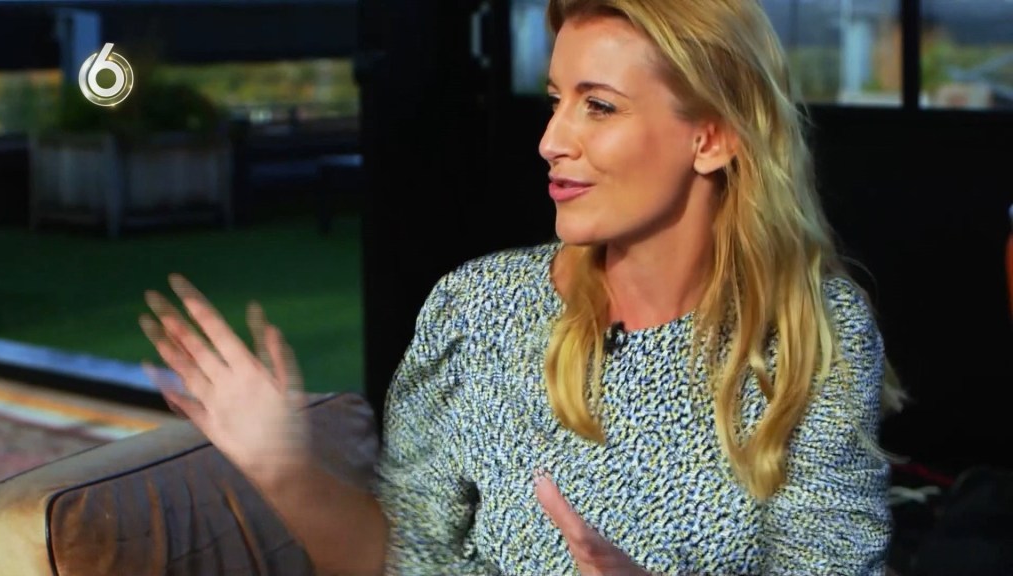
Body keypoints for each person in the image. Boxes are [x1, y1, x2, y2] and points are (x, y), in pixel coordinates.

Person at [138, 0, 906, 574]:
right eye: (555, 100)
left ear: (710, 137)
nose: (550, 140)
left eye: (597, 106)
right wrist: (284, 470)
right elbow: (407, 563)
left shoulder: (814, 332)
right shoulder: (476, 310)